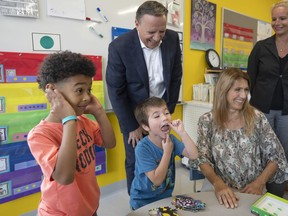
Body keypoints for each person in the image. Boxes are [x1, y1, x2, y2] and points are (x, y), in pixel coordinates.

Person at [106, 1, 182, 195]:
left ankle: (162, 195)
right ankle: (137, 201)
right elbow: (116, 90)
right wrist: (131, 126)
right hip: (135, 117)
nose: (157, 38)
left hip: (161, 113)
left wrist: (168, 111)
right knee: (135, 160)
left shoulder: (172, 39)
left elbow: (175, 76)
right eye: (151, 32)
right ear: (137, 24)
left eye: (162, 31)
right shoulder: (119, 47)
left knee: (165, 154)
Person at [27, 51, 116, 216]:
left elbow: (109, 143)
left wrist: (98, 111)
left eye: (88, 90)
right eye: (79, 90)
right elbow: (64, 177)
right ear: (53, 90)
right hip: (60, 212)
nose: (86, 97)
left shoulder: (83, 121)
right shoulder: (39, 135)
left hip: (88, 207)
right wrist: (68, 118)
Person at [195, 68, 288, 209]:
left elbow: (276, 156)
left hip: (253, 190)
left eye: (246, 90)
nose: (243, 95)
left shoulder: (257, 118)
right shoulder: (207, 121)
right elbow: (202, 159)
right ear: (223, 91)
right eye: (237, 90)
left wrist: (260, 183)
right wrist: (218, 184)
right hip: (217, 188)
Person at [129, 97, 198, 210]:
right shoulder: (142, 148)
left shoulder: (171, 139)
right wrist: (167, 152)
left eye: (166, 112)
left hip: (164, 198)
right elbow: (157, 180)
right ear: (146, 126)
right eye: (157, 116)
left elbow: (194, 155)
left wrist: (182, 133)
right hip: (142, 202)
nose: (165, 117)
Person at [247, 0, 288, 162]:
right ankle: (260, 185)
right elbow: (250, 78)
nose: (277, 23)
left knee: (284, 152)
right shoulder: (261, 47)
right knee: (261, 151)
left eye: (282, 18)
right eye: (274, 19)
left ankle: (279, 186)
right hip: (262, 110)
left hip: (287, 113)